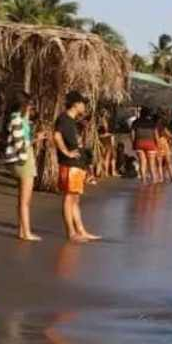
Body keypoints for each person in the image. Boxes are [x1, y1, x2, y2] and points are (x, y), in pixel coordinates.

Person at [54, 91, 100, 242]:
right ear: (75, 104)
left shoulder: (73, 121)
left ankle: (81, 230)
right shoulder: (64, 119)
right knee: (69, 198)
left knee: (75, 199)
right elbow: (56, 135)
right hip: (70, 165)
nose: (84, 105)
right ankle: (71, 233)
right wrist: (66, 152)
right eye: (82, 103)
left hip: (77, 165)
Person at [3, 91, 42, 241]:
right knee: (25, 201)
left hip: (24, 159)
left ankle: (22, 230)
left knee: (22, 199)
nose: (30, 106)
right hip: (23, 160)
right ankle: (26, 232)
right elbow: (21, 144)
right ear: (22, 105)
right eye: (28, 104)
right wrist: (35, 139)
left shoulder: (19, 118)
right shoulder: (16, 120)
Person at [130, 108, 160, 184]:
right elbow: (156, 135)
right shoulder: (152, 123)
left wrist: (133, 143)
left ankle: (143, 180)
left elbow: (132, 134)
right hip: (150, 142)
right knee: (151, 163)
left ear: (141, 113)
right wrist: (158, 145)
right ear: (148, 114)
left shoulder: (135, 122)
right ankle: (154, 180)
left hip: (139, 142)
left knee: (142, 162)